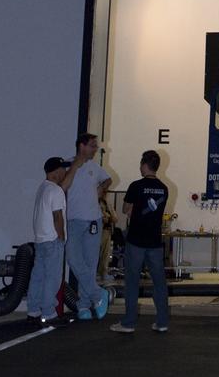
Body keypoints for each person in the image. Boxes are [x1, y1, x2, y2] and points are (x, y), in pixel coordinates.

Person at [111, 150, 170, 334]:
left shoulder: (136, 186)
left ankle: (129, 323)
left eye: (140, 164)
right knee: (159, 282)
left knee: (132, 281)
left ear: (144, 165)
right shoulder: (164, 188)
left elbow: (125, 208)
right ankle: (162, 322)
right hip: (154, 242)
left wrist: (134, 209)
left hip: (136, 240)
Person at [62, 133, 112, 321]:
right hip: (73, 220)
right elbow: (62, 187)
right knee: (74, 259)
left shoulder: (95, 168)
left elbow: (108, 180)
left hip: (93, 221)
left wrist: (102, 189)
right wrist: (74, 166)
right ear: (81, 146)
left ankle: (83, 306)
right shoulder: (67, 165)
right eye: (92, 145)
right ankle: (98, 295)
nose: (95, 149)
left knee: (90, 264)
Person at [26, 157, 70, 325]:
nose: (65, 172)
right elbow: (57, 216)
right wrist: (61, 237)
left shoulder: (42, 188)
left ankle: (33, 310)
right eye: (63, 169)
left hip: (40, 239)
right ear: (56, 171)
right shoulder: (56, 191)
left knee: (38, 276)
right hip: (52, 239)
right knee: (52, 278)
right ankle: (49, 312)